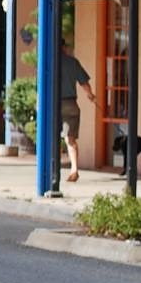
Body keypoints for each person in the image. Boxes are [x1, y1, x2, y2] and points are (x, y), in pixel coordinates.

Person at [55, 39, 97, 183]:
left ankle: (52, 167)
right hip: (70, 103)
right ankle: (74, 168)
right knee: (70, 139)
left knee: (52, 137)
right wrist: (90, 95)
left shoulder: (49, 61)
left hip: (53, 104)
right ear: (64, 47)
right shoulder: (72, 62)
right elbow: (84, 83)